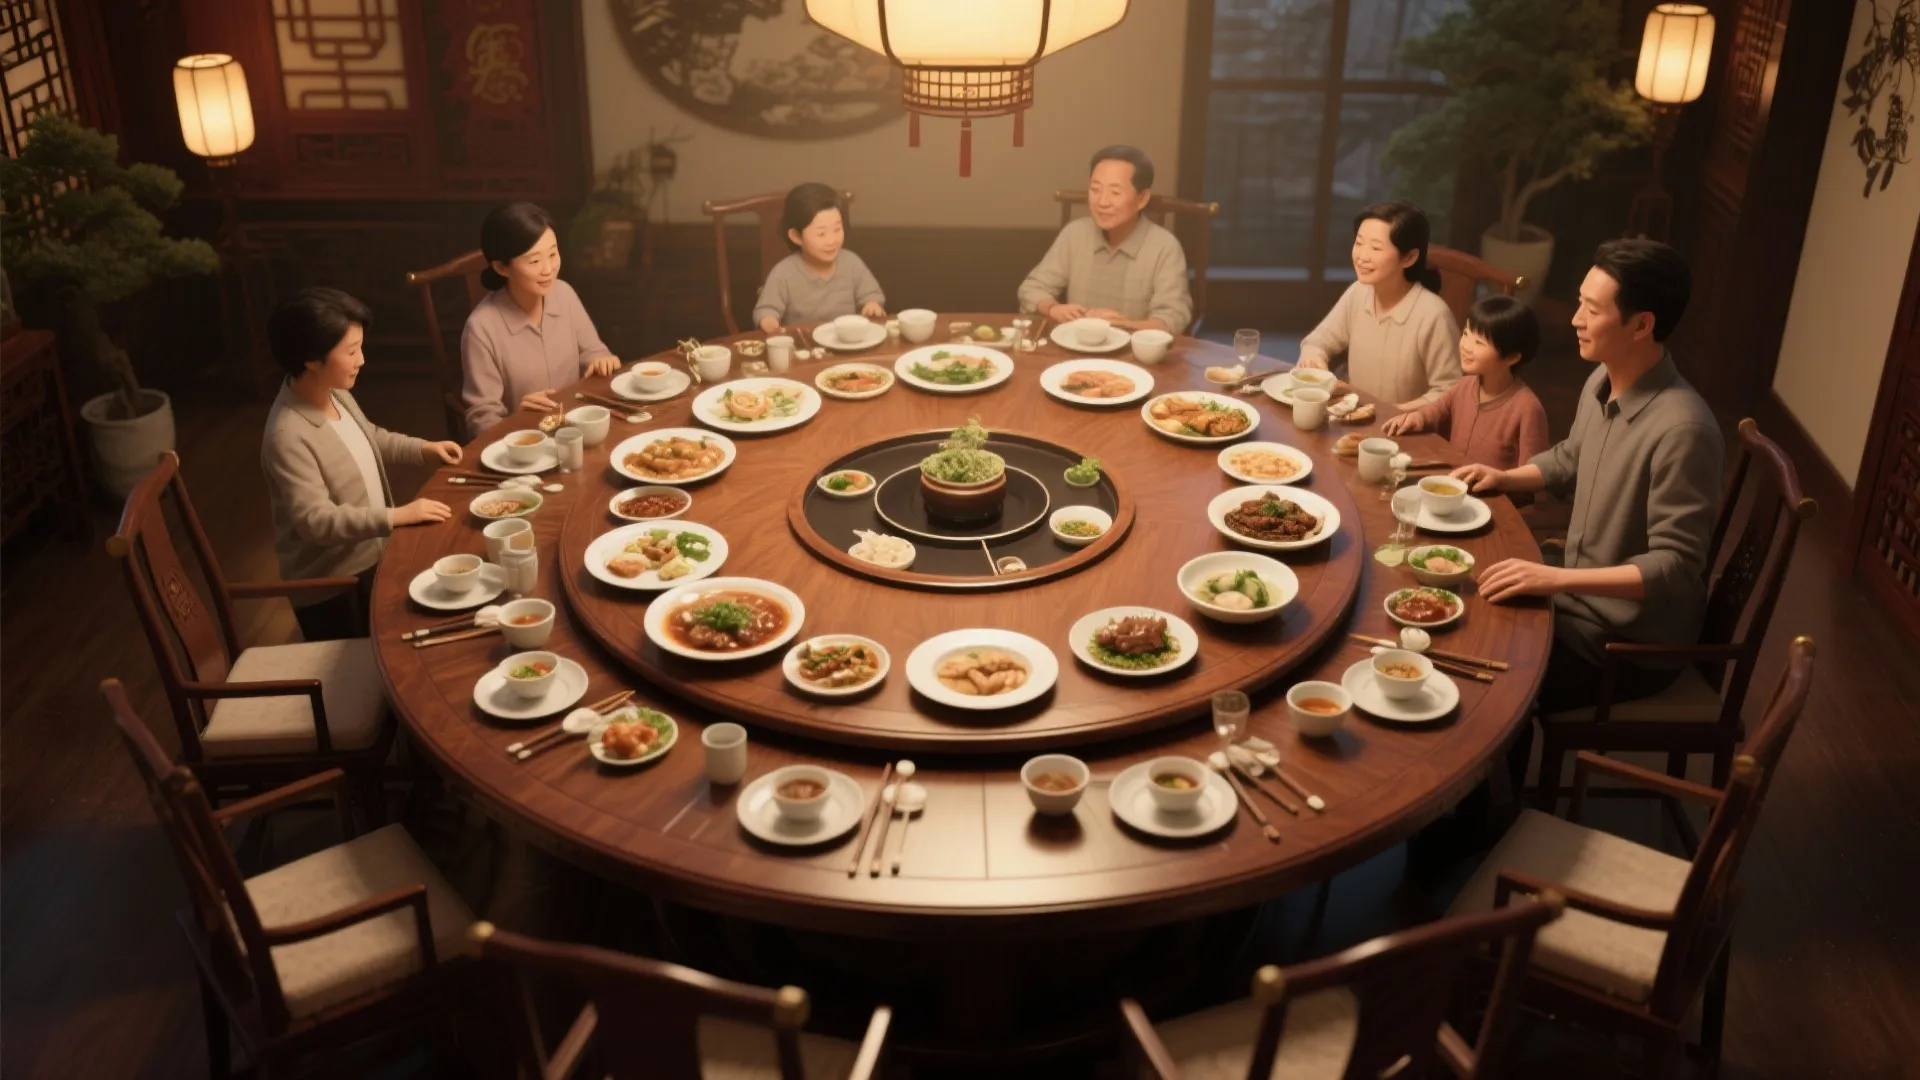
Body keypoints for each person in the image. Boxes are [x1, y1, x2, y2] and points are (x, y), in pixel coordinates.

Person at [1454, 239, 1723, 713]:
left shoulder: (1684, 429)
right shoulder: (1602, 378)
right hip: (1577, 594)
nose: (1575, 318)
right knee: (1467, 600)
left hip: (1623, 645)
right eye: (1580, 301)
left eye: (1592, 309)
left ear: (1642, 324)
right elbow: (1572, 456)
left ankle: (1496, 783)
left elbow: (1677, 567)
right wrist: (1504, 477)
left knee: (1486, 676)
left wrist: (1553, 579)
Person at [262, 288, 464, 642]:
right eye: (352, 351)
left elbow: (371, 437)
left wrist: (425, 449)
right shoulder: (287, 433)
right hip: (335, 589)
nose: (362, 360)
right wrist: (396, 516)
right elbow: (316, 522)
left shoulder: (333, 391)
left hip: (371, 560)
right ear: (311, 359)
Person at [460, 202, 621, 437]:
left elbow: (594, 352)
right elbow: (481, 419)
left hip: (576, 429)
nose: (549, 269)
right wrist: (517, 418)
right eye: (534, 261)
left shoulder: (564, 293)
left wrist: (602, 360)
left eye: (553, 254)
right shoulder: (481, 328)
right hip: (523, 444)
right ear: (502, 268)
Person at [1297, 201, 1461, 411]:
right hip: (1354, 419)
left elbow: (1450, 391)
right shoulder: (1359, 292)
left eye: (1375, 248)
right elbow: (1317, 342)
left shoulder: (1433, 315)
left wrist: (1393, 411)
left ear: (1409, 257)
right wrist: (1314, 358)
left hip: (1404, 431)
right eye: (1359, 243)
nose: (1362, 257)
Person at [1017, 145, 1192, 335]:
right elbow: (1032, 288)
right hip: (1075, 348)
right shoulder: (1075, 234)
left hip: (1133, 354)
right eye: (1095, 189)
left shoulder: (1164, 247)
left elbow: (1173, 317)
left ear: (1142, 199)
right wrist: (1053, 308)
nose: (1102, 202)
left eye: (1115, 193)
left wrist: (1123, 326)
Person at [1381, 295, 1550, 471]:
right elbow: (1436, 411)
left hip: (1493, 497)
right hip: (1453, 488)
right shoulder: (1465, 385)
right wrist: (1417, 417)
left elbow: (1533, 475)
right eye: (1466, 334)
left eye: (1479, 342)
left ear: (1512, 357)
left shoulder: (1527, 408)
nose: (1466, 346)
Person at [753, 182, 887, 332]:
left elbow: (871, 295)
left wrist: (872, 305)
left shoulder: (851, 263)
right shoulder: (783, 273)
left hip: (847, 342)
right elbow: (766, 310)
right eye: (821, 234)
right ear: (796, 236)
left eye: (837, 229)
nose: (831, 241)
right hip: (803, 346)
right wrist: (769, 322)